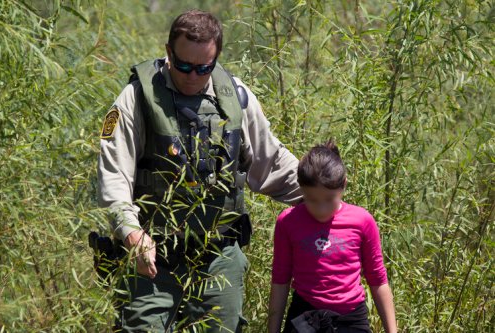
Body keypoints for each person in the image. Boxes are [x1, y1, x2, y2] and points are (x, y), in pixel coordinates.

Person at [97, 9, 301, 333]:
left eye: (204, 68)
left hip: (218, 254)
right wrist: (132, 234)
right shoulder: (135, 99)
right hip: (154, 256)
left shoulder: (235, 97)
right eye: (184, 66)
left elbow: (272, 163)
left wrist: (325, 195)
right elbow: (113, 178)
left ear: (216, 58)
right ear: (168, 52)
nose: (193, 76)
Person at [268, 140, 397, 333]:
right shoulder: (288, 222)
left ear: (343, 185)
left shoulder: (362, 221)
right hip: (304, 319)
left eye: (329, 199)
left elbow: (377, 279)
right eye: (312, 200)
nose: (321, 209)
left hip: (351, 319)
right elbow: (280, 281)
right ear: (301, 188)